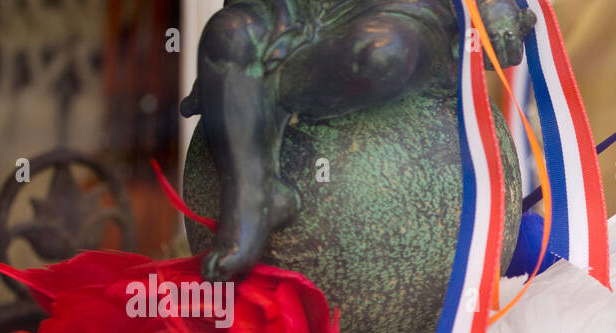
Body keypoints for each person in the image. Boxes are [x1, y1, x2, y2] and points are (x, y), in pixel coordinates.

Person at [180, 0, 536, 281]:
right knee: (228, 35)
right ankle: (252, 187)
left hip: (400, 12)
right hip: (292, 12)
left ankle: (258, 92)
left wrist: (494, 7)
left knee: (380, 54)